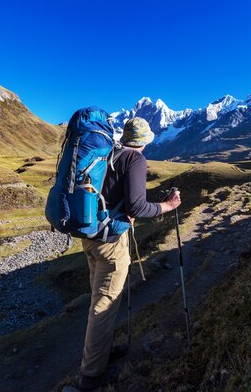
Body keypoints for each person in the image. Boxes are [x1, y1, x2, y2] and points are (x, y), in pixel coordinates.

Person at [77, 117, 182, 391]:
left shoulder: (109, 154)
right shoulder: (135, 160)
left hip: (91, 237)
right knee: (105, 305)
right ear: (145, 140)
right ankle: (90, 377)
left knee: (97, 298)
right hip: (112, 242)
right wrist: (167, 206)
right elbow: (137, 206)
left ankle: (101, 353)